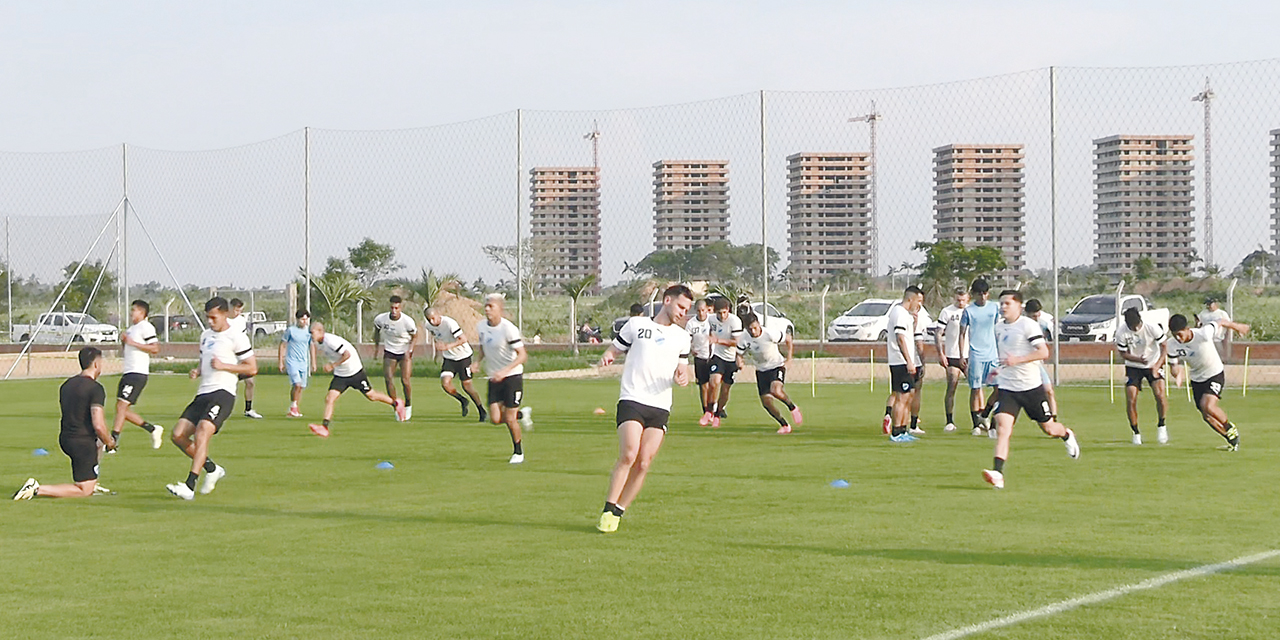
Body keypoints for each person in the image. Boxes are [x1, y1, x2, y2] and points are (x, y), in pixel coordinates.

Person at [597, 284, 694, 533]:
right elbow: (616, 347)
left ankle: (619, 510)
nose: (684, 312)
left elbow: (682, 367)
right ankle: (608, 508)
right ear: (667, 300)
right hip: (632, 398)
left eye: (688, 309)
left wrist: (682, 376)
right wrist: (608, 356)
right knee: (629, 454)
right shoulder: (637, 325)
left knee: (644, 462)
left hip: (660, 405)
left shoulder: (682, 337)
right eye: (682, 306)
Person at [982, 290, 1080, 490]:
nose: (1003, 307)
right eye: (1001, 303)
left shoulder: (1028, 325)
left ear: (1019, 306)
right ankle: (998, 473)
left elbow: (1043, 351)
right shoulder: (998, 328)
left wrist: (1017, 360)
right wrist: (998, 370)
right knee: (1003, 429)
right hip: (1009, 389)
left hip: (1031, 389)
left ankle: (1066, 435)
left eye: (1007, 303)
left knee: (1049, 428)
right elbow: (1004, 356)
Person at [165, 297, 257, 500]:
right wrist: (197, 370)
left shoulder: (236, 336)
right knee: (178, 435)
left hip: (223, 393)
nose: (210, 321)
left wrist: (225, 367)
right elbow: (204, 359)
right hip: (202, 393)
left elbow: (252, 368)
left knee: (203, 431)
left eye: (213, 317)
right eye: (207, 317)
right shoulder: (205, 335)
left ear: (225, 314)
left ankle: (189, 486)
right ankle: (212, 469)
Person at [12, 347, 118, 500]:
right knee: (84, 490)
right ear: (96, 364)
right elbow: (99, 425)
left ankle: (92, 480)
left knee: (99, 443)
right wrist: (111, 442)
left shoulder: (66, 385)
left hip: (65, 438)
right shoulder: (96, 389)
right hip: (82, 442)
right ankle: (37, 489)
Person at [1166, 313, 1250, 451]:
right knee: (1207, 416)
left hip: (1214, 373)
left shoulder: (1203, 334)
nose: (1178, 338)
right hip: (1197, 379)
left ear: (1188, 329)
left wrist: (1238, 327)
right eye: (1175, 335)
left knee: (1208, 406)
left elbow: (1220, 321)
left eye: (1180, 334)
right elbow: (1173, 365)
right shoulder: (1171, 345)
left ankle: (1229, 427)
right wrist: (1177, 374)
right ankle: (1231, 440)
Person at [307, 322, 406, 437]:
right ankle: (324, 427)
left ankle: (396, 403)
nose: (311, 335)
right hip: (341, 374)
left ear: (320, 331)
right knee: (329, 398)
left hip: (354, 371)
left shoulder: (331, 341)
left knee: (371, 396)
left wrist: (332, 365)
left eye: (312, 332)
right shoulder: (319, 342)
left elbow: (347, 354)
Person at [473, 294, 529, 464]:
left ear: (500, 309)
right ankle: (521, 414)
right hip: (494, 377)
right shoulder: (481, 326)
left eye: (491, 306)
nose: (487, 309)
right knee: (495, 419)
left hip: (512, 377)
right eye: (486, 306)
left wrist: (505, 371)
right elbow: (483, 347)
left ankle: (518, 452)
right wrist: (477, 362)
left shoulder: (508, 329)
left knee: (509, 419)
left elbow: (522, 356)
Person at [111, 299, 164, 450]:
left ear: (142, 312)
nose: (131, 312)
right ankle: (152, 429)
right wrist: (124, 342)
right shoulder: (131, 329)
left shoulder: (146, 327)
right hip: (128, 371)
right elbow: (128, 348)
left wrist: (132, 343)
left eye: (134, 310)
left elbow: (154, 348)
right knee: (122, 409)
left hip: (138, 372)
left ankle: (113, 441)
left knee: (121, 405)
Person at [738, 312, 802, 434]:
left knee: (776, 390)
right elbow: (739, 353)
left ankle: (792, 407)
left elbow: (788, 339)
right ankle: (784, 425)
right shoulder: (744, 337)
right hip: (761, 371)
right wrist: (740, 362)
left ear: (759, 324)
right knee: (766, 403)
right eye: (750, 329)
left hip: (776, 366)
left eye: (755, 328)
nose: (753, 331)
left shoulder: (769, 334)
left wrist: (789, 358)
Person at [1114, 307, 1169, 445]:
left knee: (1160, 395)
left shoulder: (1152, 328)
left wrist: (1157, 365)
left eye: (1135, 325)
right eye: (1131, 326)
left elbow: (1164, 347)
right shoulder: (1121, 332)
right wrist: (1137, 359)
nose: (1134, 328)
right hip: (1134, 366)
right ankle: (1135, 432)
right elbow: (1123, 353)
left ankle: (1162, 425)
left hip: (1153, 364)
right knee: (1131, 398)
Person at [424, 306, 486, 422]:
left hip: (463, 356)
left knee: (467, 386)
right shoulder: (428, 326)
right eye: (429, 319)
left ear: (438, 314)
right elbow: (437, 338)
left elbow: (463, 339)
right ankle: (462, 400)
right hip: (449, 358)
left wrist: (448, 346)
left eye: (433, 318)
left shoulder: (449, 323)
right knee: (445, 384)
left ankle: (481, 409)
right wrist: (438, 353)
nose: (432, 321)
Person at [959, 278, 1000, 437]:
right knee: (976, 389)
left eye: (985, 293)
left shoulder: (994, 308)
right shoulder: (968, 311)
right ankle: (976, 424)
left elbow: (997, 328)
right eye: (979, 294)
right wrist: (962, 354)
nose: (982, 297)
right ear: (974, 295)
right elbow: (962, 334)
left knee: (998, 389)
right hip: (976, 354)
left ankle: (990, 420)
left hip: (993, 355)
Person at [886, 286, 924, 442]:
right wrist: (909, 361)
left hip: (906, 361)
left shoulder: (906, 315)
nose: (919, 305)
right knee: (902, 397)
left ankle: (903, 429)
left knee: (909, 395)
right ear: (911, 299)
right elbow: (900, 338)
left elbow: (908, 336)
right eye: (918, 301)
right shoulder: (899, 313)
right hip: (900, 361)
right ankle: (896, 432)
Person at [374, 295, 418, 421]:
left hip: (404, 352)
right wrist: (376, 349)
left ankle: (408, 404)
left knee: (405, 380)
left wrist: (410, 350)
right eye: (392, 308)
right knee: (388, 379)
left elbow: (415, 336)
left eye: (396, 308)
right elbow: (376, 332)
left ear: (401, 308)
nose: (394, 311)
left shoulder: (407, 321)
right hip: (389, 351)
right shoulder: (380, 319)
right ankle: (397, 407)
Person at [702, 296, 743, 428]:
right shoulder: (711, 319)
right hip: (718, 356)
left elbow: (736, 342)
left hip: (731, 359)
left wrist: (718, 341)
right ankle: (709, 411)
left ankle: (718, 414)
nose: (722, 315)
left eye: (724, 312)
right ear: (715, 311)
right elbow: (709, 334)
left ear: (728, 310)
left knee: (725, 390)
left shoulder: (735, 321)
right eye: (719, 313)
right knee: (714, 382)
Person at [934, 287, 970, 433]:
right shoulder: (947, 312)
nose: (960, 302)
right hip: (952, 355)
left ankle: (979, 419)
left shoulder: (971, 311)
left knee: (975, 388)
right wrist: (941, 353)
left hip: (969, 355)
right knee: (951, 386)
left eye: (963, 300)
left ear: (968, 298)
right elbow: (938, 333)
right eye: (958, 300)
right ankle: (949, 421)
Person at [227, 298, 263, 419]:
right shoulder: (224, 320)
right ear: (230, 308)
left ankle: (248, 409)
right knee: (228, 383)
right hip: (229, 356)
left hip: (240, 355)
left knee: (250, 382)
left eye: (240, 310)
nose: (238, 313)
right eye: (236, 310)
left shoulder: (241, 320)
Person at [1024, 298, 1059, 419]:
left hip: (1037, 362)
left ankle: (1053, 418)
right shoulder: (1021, 324)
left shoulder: (1043, 323)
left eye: (1038, 314)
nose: (1036, 317)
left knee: (1049, 390)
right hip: (1023, 363)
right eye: (1033, 315)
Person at [278, 309, 316, 417]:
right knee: (297, 384)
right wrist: (281, 361)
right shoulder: (291, 330)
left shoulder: (309, 332)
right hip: (292, 361)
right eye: (302, 319)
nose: (304, 322)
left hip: (304, 362)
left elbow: (311, 346)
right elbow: (283, 345)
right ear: (298, 320)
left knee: (301, 386)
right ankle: (293, 407)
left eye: (306, 319)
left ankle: (294, 408)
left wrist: (313, 362)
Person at [685, 299, 714, 421]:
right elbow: (687, 340)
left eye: (703, 310)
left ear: (707, 310)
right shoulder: (691, 324)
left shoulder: (712, 321)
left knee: (714, 383)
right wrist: (691, 348)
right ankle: (706, 410)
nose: (701, 313)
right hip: (700, 358)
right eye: (699, 311)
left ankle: (714, 409)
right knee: (703, 386)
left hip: (713, 356)